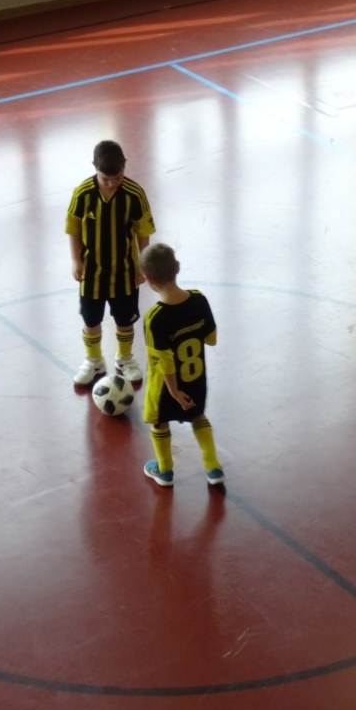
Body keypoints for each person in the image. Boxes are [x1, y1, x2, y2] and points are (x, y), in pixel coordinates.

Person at [65, 140, 156, 385]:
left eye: (117, 177)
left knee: (125, 321)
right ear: (94, 168)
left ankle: (124, 358)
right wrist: (75, 260)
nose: (112, 183)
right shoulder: (83, 193)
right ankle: (93, 360)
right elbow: (73, 228)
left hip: (125, 272)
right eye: (106, 179)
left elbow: (143, 231)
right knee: (91, 320)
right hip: (91, 273)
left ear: (124, 166)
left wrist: (142, 264)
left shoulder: (134, 194)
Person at [139, 243, 225, 487]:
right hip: (196, 378)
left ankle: (164, 470)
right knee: (198, 415)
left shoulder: (155, 317)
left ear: (147, 279)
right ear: (177, 267)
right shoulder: (199, 300)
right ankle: (213, 467)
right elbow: (211, 338)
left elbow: (163, 360)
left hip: (167, 385)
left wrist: (174, 391)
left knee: (159, 421)